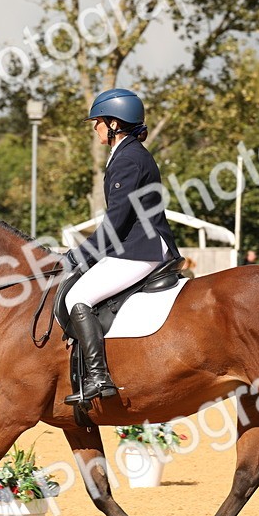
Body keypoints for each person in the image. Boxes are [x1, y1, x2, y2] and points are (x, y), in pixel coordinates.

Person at [62, 88, 179, 405]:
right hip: (141, 245)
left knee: (77, 296)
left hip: (141, 249)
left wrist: (77, 256)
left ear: (114, 123)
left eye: (97, 122)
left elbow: (115, 222)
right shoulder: (131, 154)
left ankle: (99, 377)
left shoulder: (127, 159)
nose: (95, 127)